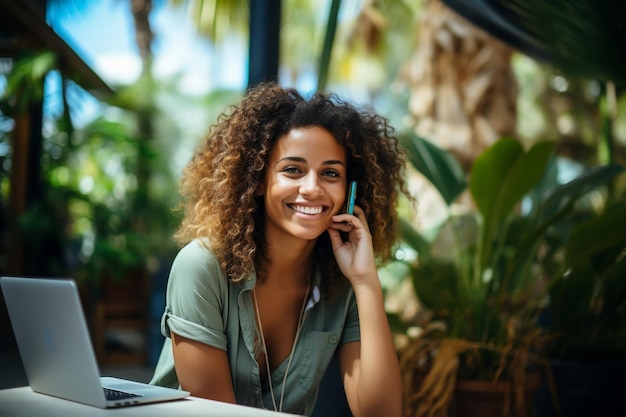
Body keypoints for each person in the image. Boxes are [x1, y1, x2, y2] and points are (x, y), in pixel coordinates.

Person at [150, 81, 410, 416]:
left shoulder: (341, 284)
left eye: (331, 173)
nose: (312, 188)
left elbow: (381, 414)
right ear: (257, 180)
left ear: (350, 190)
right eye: (293, 170)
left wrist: (366, 283)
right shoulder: (201, 266)